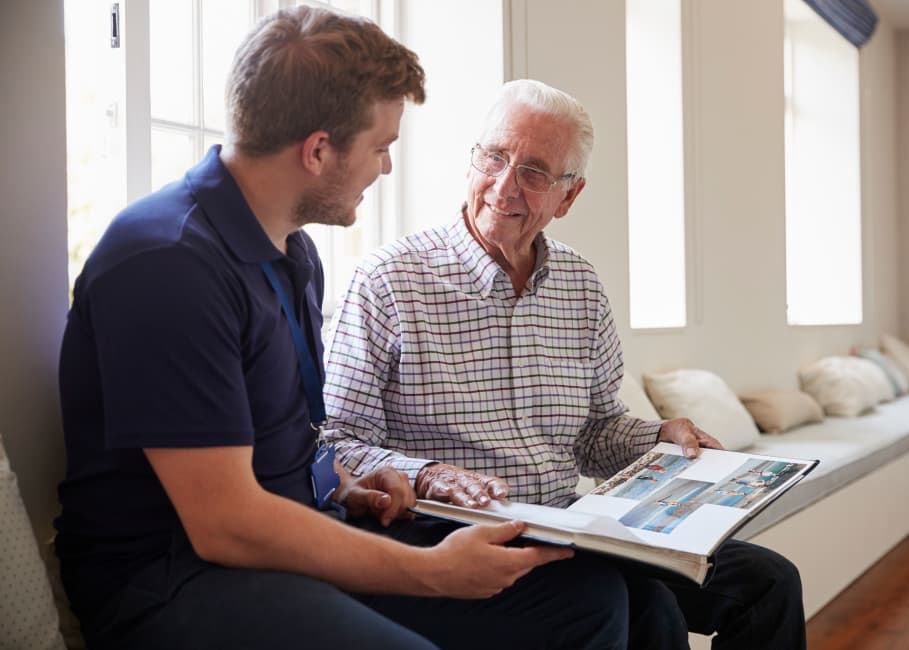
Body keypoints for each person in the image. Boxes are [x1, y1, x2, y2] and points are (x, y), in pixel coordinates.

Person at [55, 9, 636, 650]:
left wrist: (346, 483)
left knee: (587, 603)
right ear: (319, 150)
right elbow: (226, 525)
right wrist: (432, 572)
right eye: (381, 146)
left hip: (285, 537)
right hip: (173, 576)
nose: (386, 168)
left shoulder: (293, 256)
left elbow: (295, 440)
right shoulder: (166, 262)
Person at [322, 78, 808, 649]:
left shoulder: (579, 285)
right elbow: (336, 442)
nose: (505, 186)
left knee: (771, 582)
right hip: (449, 531)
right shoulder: (387, 280)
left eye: (533, 172)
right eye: (494, 158)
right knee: (648, 606)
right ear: (471, 160)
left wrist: (661, 436)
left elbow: (596, 431)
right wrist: (430, 474)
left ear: (568, 196)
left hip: (573, 521)